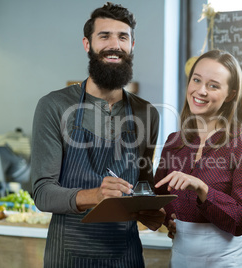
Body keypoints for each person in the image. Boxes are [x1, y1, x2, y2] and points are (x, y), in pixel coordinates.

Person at [31, 3, 164, 267]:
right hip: (67, 255)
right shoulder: (54, 106)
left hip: (126, 255)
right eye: (104, 36)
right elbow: (42, 192)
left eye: (122, 37)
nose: (114, 45)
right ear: (87, 44)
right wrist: (96, 196)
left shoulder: (146, 113)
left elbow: (143, 183)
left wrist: (152, 211)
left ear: (132, 45)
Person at [154, 49, 242, 267]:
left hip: (227, 259)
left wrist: (202, 189)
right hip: (181, 257)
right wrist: (169, 219)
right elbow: (159, 195)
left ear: (230, 94)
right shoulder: (174, 142)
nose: (200, 91)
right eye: (196, 80)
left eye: (213, 85)